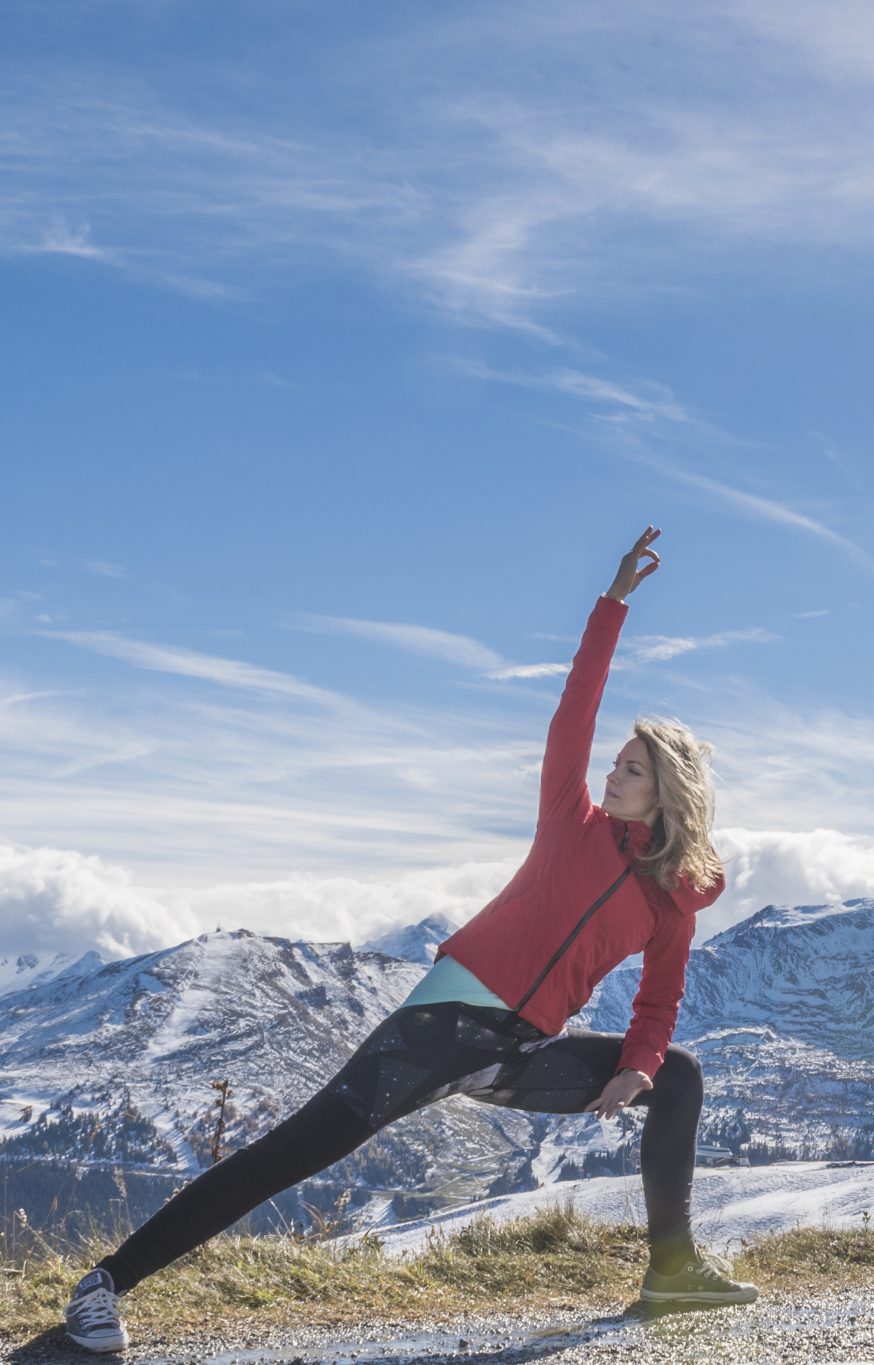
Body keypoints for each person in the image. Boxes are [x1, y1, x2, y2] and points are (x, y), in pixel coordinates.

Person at [66, 528, 751, 1357]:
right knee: (295, 1151)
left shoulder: (670, 895)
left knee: (677, 1074)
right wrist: (613, 604)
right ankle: (104, 1282)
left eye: (632, 769)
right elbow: (575, 706)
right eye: (615, 761)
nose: (612, 774)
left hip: (523, 1050)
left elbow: (661, 999)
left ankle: (672, 1270)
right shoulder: (571, 821)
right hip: (443, 1024)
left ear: (667, 792)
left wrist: (639, 1062)